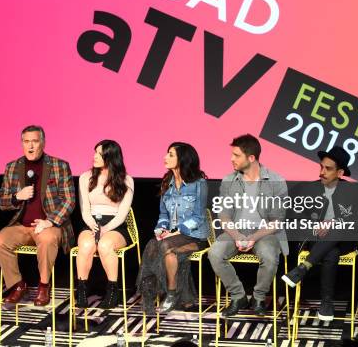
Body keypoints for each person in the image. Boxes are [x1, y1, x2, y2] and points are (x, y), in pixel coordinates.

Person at [0, 125, 75, 307]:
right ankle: (18, 285)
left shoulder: (59, 166)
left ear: (43, 143)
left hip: (49, 225)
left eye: (35, 141)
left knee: (46, 240)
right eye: (26, 141)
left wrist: (49, 221)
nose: (30, 146)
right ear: (22, 144)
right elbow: (2, 202)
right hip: (21, 225)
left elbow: (69, 201)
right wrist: (17, 196)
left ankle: (44, 286)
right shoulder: (12, 167)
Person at [208, 134, 288, 317]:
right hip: (235, 231)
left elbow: (277, 221)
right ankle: (238, 296)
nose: (231, 159)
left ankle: (258, 297)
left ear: (251, 158)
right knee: (215, 252)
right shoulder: (229, 180)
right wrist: (237, 236)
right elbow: (224, 216)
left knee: (269, 255)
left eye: (236, 155)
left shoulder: (276, 181)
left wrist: (252, 238)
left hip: (265, 233)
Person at [282, 146, 358, 321]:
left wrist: (334, 223)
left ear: (340, 172)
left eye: (328, 169)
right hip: (316, 239)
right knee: (330, 253)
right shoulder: (309, 190)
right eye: (321, 167)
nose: (322, 172)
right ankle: (326, 302)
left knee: (337, 232)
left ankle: (303, 268)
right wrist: (315, 225)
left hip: (344, 241)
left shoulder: (353, 191)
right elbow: (293, 215)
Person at [136, 142, 209, 314]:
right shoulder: (167, 182)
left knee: (164, 246)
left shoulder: (199, 183)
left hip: (195, 236)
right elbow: (163, 215)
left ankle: (161, 291)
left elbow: (199, 217)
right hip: (172, 235)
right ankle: (175, 294)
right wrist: (161, 229)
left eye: (171, 154)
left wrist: (176, 232)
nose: (165, 157)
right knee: (156, 245)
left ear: (183, 159)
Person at [75, 140, 134, 309]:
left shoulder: (126, 180)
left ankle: (112, 292)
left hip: (115, 225)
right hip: (91, 222)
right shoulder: (85, 178)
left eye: (99, 154)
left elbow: (123, 214)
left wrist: (106, 229)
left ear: (111, 157)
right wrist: (93, 225)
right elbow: (85, 209)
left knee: (104, 245)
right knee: (86, 245)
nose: (95, 157)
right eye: (95, 152)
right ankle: (81, 291)